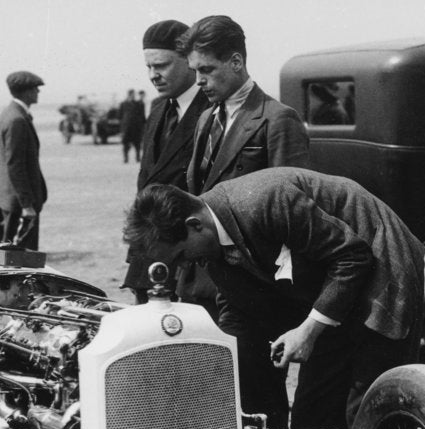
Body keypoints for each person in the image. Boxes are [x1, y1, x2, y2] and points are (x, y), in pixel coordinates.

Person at [123, 168, 424, 429]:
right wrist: (220, 360)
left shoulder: (264, 201)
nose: (183, 267)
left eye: (180, 256)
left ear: (195, 225)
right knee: (312, 420)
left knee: (368, 409)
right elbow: (238, 309)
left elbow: (353, 257)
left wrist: (307, 331)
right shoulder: (210, 239)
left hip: (381, 267)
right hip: (333, 287)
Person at [174, 14, 310, 319]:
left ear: (236, 62)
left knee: (249, 367)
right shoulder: (207, 119)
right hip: (201, 282)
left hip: (250, 287)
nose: (198, 81)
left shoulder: (278, 119)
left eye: (206, 70)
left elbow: (293, 214)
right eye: (195, 71)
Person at [121, 18, 209, 302]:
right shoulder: (158, 108)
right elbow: (146, 180)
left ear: (189, 61)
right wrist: (136, 250)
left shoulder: (213, 108)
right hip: (148, 255)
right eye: (148, 66)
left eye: (161, 66)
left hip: (187, 258)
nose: (152, 75)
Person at [0, 70, 46, 250]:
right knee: (20, 259)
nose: (38, 92)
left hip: (12, 198)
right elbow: (15, 165)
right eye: (35, 89)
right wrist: (27, 204)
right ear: (25, 92)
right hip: (20, 204)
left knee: (13, 255)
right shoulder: (17, 120)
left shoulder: (9, 114)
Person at [119, 88, 144, 163]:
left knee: (137, 143)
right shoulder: (123, 104)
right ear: (129, 95)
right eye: (132, 94)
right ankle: (125, 158)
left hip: (136, 127)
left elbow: (141, 115)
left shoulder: (138, 104)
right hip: (126, 127)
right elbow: (120, 115)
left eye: (134, 95)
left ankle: (138, 157)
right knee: (126, 144)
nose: (133, 96)